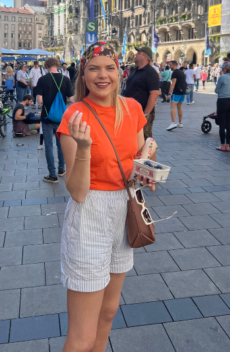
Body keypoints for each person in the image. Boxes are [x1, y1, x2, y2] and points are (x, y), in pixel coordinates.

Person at [56, 42, 156, 352]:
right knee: (81, 336)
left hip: (123, 210)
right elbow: (77, 191)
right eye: (94, 69)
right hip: (90, 214)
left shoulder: (132, 108)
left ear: (119, 71)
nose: (103, 75)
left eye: (109, 68)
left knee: (108, 312)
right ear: (83, 75)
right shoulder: (74, 115)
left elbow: (140, 155)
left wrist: (148, 162)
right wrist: (84, 148)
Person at [35, 57, 75, 184]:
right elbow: (71, 99)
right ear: (58, 65)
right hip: (62, 117)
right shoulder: (66, 79)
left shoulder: (42, 79)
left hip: (47, 117)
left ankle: (52, 175)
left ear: (46, 66)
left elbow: (40, 101)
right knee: (60, 144)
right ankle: (61, 169)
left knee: (48, 146)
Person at [121, 48, 161, 139]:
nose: (136, 54)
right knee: (132, 139)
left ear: (145, 57)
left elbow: (154, 93)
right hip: (130, 111)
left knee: (144, 141)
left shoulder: (150, 72)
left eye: (138, 53)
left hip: (142, 112)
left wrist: (146, 114)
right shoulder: (135, 70)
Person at [215, 62, 230, 151]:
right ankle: (227, 146)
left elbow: (216, 90)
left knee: (222, 125)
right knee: (229, 124)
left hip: (222, 101)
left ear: (226, 69)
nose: (222, 70)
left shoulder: (222, 77)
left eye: (222, 69)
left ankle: (222, 145)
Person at [167, 61, 187, 130]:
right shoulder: (181, 72)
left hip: (177, 92)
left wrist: (169, 93)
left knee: (172, 106)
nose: (170, 66)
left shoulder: (175, 73)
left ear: (174, 65)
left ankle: (173, 123)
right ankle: (180, 123)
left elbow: (173, 84)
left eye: (170, 65)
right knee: (179, 106)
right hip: (183, 92)